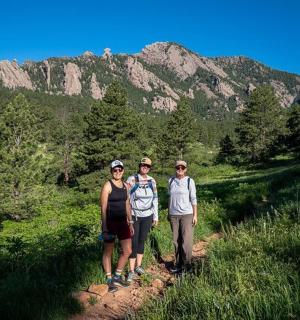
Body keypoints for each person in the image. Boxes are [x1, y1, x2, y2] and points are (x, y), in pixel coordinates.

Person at [100, 160, 134, 292]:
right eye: (115, 170)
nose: (118, 172)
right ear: (111, 171)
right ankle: (109, 280)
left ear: (123, 171)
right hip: (110, 222)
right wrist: (104, 227)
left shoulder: (126, 186)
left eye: (120, 170)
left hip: (123, 223)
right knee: (108, 251)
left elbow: (127, 205)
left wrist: (130, 222)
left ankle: (117, 276)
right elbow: (103, 208)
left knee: (128, 251)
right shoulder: (107, 186)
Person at [126, 157, 158, 282]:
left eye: (147, 166)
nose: (145, 167)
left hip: (148, 215)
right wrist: (127, 218)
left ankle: (139, 266)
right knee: (133, 242)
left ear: (150, 168)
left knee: (142, 240)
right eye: (143, 165)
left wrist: (155, 216)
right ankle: (131, 270)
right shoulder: (132, 179)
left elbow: (155, 198)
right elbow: (127, 199)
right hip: (134, 215)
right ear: (139, 166)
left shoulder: (152, 181)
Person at [168, 160, 197, 273]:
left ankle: (187, 264)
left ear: (185, 169)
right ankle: (178, 263)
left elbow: (193, 198)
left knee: (186, 241)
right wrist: (168, 213)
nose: (180, 170)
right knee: (176, 240)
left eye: (182, 168)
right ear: (175, 168)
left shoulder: (189, 181)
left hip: (187, 214)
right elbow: (170, 198)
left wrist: (195, 215)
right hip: (173, 215)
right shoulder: (171, 181)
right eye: (178, 168)